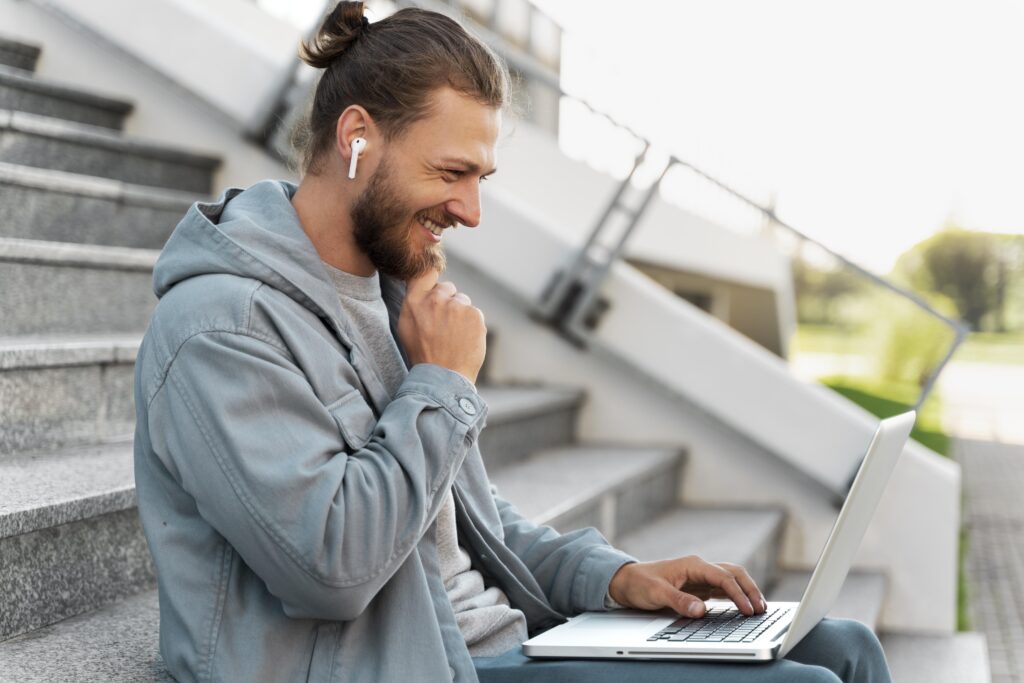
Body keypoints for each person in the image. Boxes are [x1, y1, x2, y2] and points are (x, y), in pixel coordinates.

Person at [132, 3, 892, 682]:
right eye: (451, 172)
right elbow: (331, 566)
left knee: (844, 646)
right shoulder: (220, 325)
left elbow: (472, 520)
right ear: (357, 136)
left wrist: (616, 576)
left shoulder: (392, 296)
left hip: (496, 642)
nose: (469, 210)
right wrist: (440, 384)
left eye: (481, 178)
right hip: (402, 664)